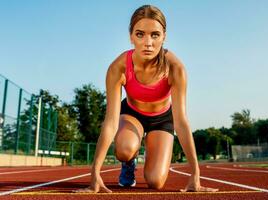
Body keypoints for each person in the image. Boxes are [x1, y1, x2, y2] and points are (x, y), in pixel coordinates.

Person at [77, 5, 218, 193]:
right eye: (140, 34)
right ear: (131, 36)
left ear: (164, 36)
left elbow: (181, 122)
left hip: (162, 119)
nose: (148, 43)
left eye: (155, 35)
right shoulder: (117, 68)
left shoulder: (175, 68)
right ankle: (129, 163)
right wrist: (95, 173)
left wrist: (195, 174)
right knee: (124, 149)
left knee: (155, 182)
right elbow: (110, 122)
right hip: (131, 115)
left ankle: (151, 145)